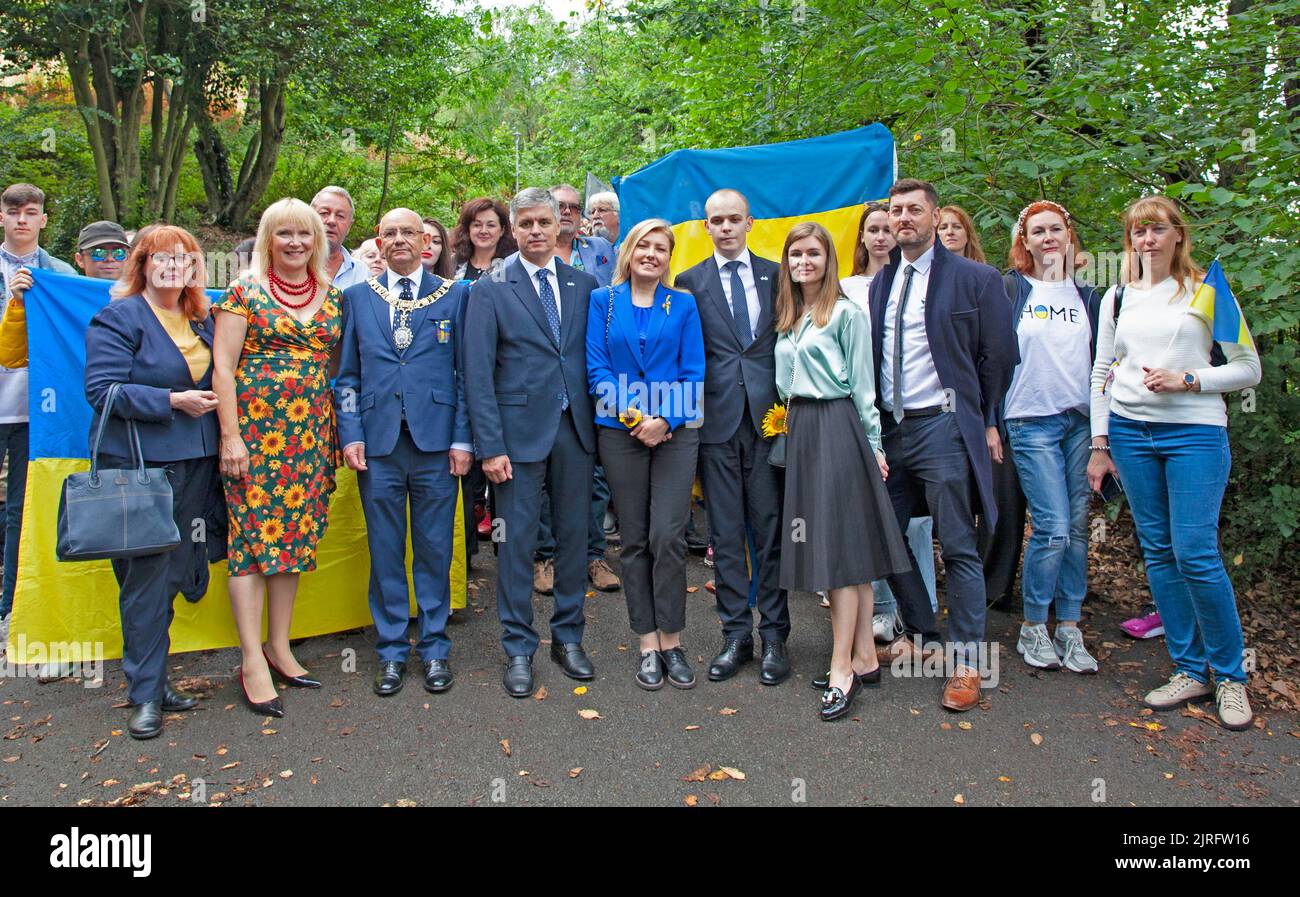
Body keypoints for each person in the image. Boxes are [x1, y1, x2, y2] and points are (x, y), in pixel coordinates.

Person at [1088, 195, 1260, 730]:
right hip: (1131, 435)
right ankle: (1190, 669)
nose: (1146, 239)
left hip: (1195, 434)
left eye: (1157, 229)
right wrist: (1100, 442)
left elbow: (1248, 368)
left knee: (1196, 553)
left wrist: (1191, 380)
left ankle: (1231, 676)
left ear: (1177, 235)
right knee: (1159, 551)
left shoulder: (1208, 290)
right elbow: (1101, 372)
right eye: (1137, 231)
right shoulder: (1115, 297)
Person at [869, 178, 1016, 712]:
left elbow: (999, 355)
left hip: (946, 428)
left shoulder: (977, 280)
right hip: (892, 430)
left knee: (957, 545)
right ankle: (925, 634)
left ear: (934, 217)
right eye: (895, 210)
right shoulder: (884, 281)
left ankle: (970, 664)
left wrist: (984, 418)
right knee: (882, 535)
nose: (902, 218)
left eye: (913, 209)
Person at [82, 225, 223, 738]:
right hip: (140, 468)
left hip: (197, 464)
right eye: (162, 257)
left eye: (184, 258)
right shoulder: (120, 316)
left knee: (174, 573)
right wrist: (169, 401)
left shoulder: (202, 318)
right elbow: (102, 391)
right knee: (145, 579)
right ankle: (144, 693)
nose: (173, 266)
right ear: (142, 263)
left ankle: (156, 679)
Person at [463, 187, 600, 697]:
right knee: (515, 545)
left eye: (546, 221)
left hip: (576, 432)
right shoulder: (491, 288)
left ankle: (569, 637)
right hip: (515, 439)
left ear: (559, 225)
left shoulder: (584, 285)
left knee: (573, 540)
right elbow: (477, 374)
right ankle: (518, 646)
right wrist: (490, 447)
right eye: (528, 224)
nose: (538, 231)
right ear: (513, 230)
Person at [212, 198, 343, 717]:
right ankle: (250, 659)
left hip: (310, 436)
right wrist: (231, 437)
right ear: (269, 238)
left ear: (318, 240)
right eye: (284, 234)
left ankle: (280, 646)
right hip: (256, 436)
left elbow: (333, 369)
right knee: (248, 541)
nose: (295, 243)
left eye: (305, 235)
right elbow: (222, 368)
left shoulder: (333, 296)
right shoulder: (243, 291)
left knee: (294, 537)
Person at [775, 222, 911, 720]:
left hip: (838, 426)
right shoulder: (790, 315)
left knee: (840, 551)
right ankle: (866, 656)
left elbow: (865, 387)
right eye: (795, 255)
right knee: (838, 548)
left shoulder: (847, 314)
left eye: (813, 253)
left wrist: (873, 445)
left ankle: (842, 668)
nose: (804, 262)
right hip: (801, 430)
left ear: (828, 258)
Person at [337, 208, 473, 696]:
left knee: (435, 550)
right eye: (389, 233)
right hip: (378, 446)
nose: (399, 240)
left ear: (426, 241)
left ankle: (435, 648)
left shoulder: (456, 295)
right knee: (386, 551)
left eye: (408, 233)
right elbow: (346, 377)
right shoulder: (356, 298)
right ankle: (392, 651)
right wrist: (350, 433)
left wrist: (463, 439)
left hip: (437, 445)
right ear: (378, 241)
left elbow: (465, 374)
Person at [674, 188, 789, 686]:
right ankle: (735, 635)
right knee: (724, 533)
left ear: (749, 223)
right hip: (715, 424)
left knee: (769, 532)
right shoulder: (688, 282)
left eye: (733, 219)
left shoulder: (777, 275)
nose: (724, 227)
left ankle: (776, 637)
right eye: (715, 220)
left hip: (770, 422)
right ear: (706, 226)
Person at [586, 219, 704, 690]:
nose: (651, 254)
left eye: (661, 248)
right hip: (620, 433)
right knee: (633, 538)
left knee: (668, 536)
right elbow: (596, 368)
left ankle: (673, 641)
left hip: (675, 434)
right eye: (644, 246)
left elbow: (694, 371)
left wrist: (665, 421)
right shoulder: (603, 302)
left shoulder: (684, 304)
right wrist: (635, 419)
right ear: (629, 252)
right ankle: (647, 643)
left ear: (668, 257)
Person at [1003, 201, 1102, 673]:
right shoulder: (1011, 290)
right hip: (1029, 420)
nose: (1047, 237)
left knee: (1079, 529)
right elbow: (989, 355)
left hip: (1079, 423)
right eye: (1037, 231)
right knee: (1053, 527)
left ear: (1068, 236)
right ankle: (1033, 627)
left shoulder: (1090, 296)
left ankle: (1070, 627)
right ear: (1024, 241)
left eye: (1055, 229)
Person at [841, 201, 937, 639]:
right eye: (873, 229)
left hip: (915, 416)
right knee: (870, 516)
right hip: (864, 413)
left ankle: (923, 608)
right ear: (861, 236)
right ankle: (881, 608)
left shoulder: (916, 280)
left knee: (914, 519)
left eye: (886, 228)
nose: (880, 236)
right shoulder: (847, 288)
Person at [531, 184, 621, 594]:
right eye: (558, 206)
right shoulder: (531, 258)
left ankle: (593, 555)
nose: (566, 212)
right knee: (544, 478)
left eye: (572, 207)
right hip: (544, 386)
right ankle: (545, 557)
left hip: (592, 381)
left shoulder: (601, 252)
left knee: (595, 476)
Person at [0, 184, 74, 637]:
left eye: (31, 213)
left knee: (20, 511)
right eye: (14, 212)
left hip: (35, 411)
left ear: (44, 220)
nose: (22, 220)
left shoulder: (60, 274)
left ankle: (12, 607)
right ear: (2, 218)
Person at [310, 185, 368, 290]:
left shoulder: (362, 273)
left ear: (349, 226)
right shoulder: (291, 264)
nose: (331, 221)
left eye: (340, 216)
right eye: (324, 213)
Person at [450, 197, 516, 282]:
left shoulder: (510, 266)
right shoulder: (453, 263)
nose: (483, 231)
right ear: (468, 229)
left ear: (502, 230)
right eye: (477, 225)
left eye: (491, 225)